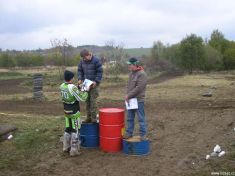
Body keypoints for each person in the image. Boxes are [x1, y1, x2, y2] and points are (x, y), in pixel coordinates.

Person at [60, 70, 88, 156]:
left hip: (66, 110)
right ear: (71, 78)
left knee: (68, 128)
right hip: (74, 111)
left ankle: (66, 147)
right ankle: (74, 151)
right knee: (75, 129)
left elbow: (73, 92)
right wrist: (86, 91)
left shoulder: (62, 86)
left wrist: (78, 87)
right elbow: (82, 98)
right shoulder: (72, 87)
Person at [124, 57, 148, 140]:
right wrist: (128, 95)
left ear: (135, 64)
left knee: (141, 118)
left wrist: (128, 95)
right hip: (131, 100)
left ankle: (143, 135)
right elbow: (129, 86)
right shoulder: (131, 74)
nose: (129, 66)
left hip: (138, 100)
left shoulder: (142, 74)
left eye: (130, 64)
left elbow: (139, 88)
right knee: (130, 118)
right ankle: (129, 133)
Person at [77, 49, 103, 123]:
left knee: (93, 101)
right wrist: (80, 79)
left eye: (85, 58)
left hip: (94, 84)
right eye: (83, 58)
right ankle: (88, 117)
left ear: (88, 55)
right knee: (87, 101)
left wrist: (96, 81)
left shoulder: (96, 61)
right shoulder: (82, 61)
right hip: (86, 84)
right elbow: (79, 70)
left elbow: (100, 72)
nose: (84, 59)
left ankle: (94, 119)